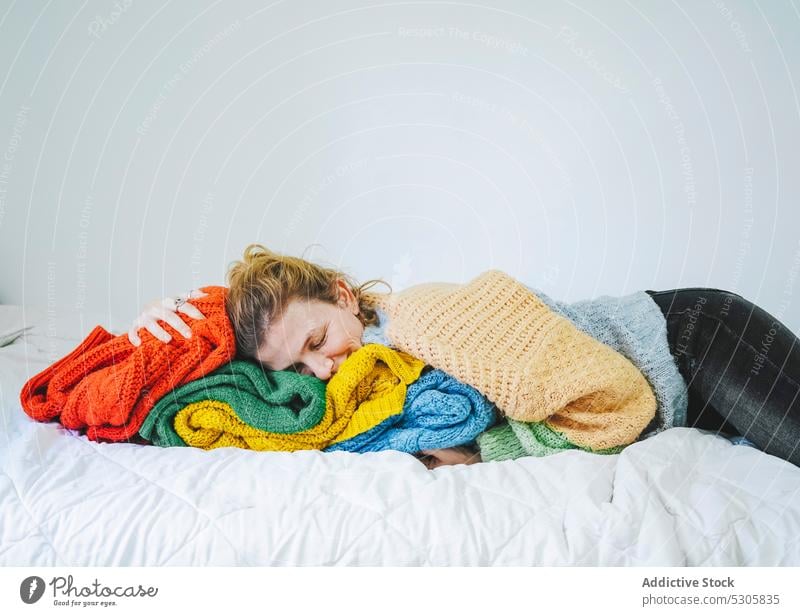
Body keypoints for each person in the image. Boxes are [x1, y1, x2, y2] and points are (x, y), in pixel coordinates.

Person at [129, 244, 800, 469]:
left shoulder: (418, 320)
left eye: (316, 342)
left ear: (343, 296)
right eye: (300, 370)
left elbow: (616, 397)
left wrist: (488, 453)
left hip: (693, 339)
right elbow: (218, 399)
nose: (324, 370)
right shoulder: (367, 395)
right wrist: (154, 331)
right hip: (690, 397)